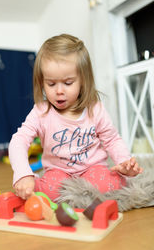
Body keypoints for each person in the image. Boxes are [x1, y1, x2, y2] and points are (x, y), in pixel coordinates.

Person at [9, 34, 143, 201]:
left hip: (93, 169)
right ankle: (36, 183)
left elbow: (112, 139)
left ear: (83, 81)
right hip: (58, 172)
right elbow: (18, 141)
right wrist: (23, 173)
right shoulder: (40, 112)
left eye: (68, 83)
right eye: (51, 84)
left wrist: (124, 162)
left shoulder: (95, 108)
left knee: (113, 184)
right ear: (41, 82)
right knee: (48, 191)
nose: (59, 91)